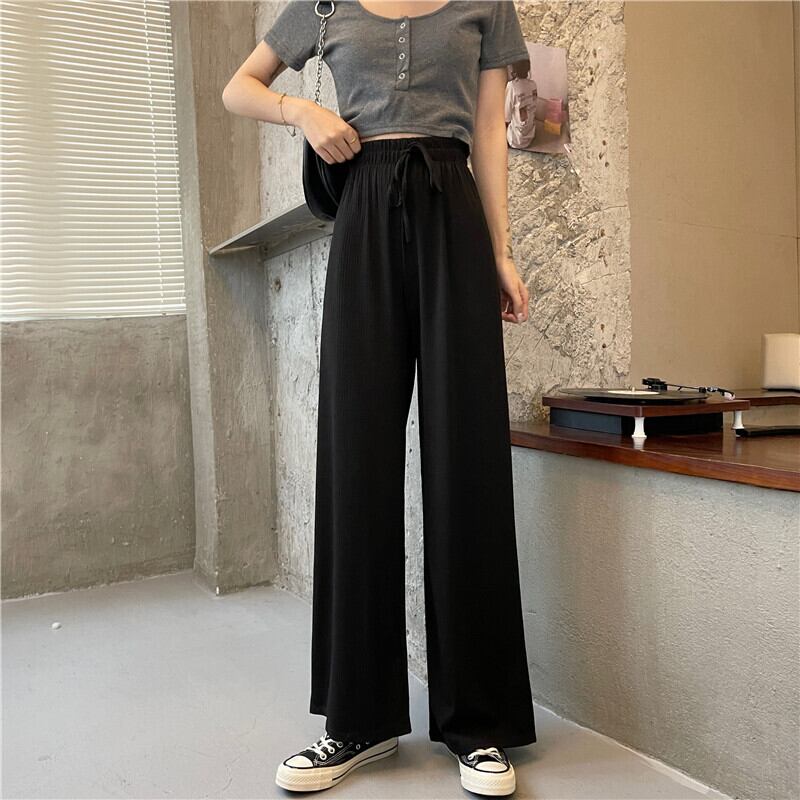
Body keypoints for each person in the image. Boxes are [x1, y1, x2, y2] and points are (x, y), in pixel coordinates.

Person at [222, 1, 537, 795]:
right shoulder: (323, 5)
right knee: (356, 458)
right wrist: (301, 112)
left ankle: (479, 723)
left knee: (466, 459)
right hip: (363, 211)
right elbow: (239, 87)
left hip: (453, 209)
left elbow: (489, 126)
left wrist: (501, 252)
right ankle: (357, 720)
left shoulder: (484, 4)